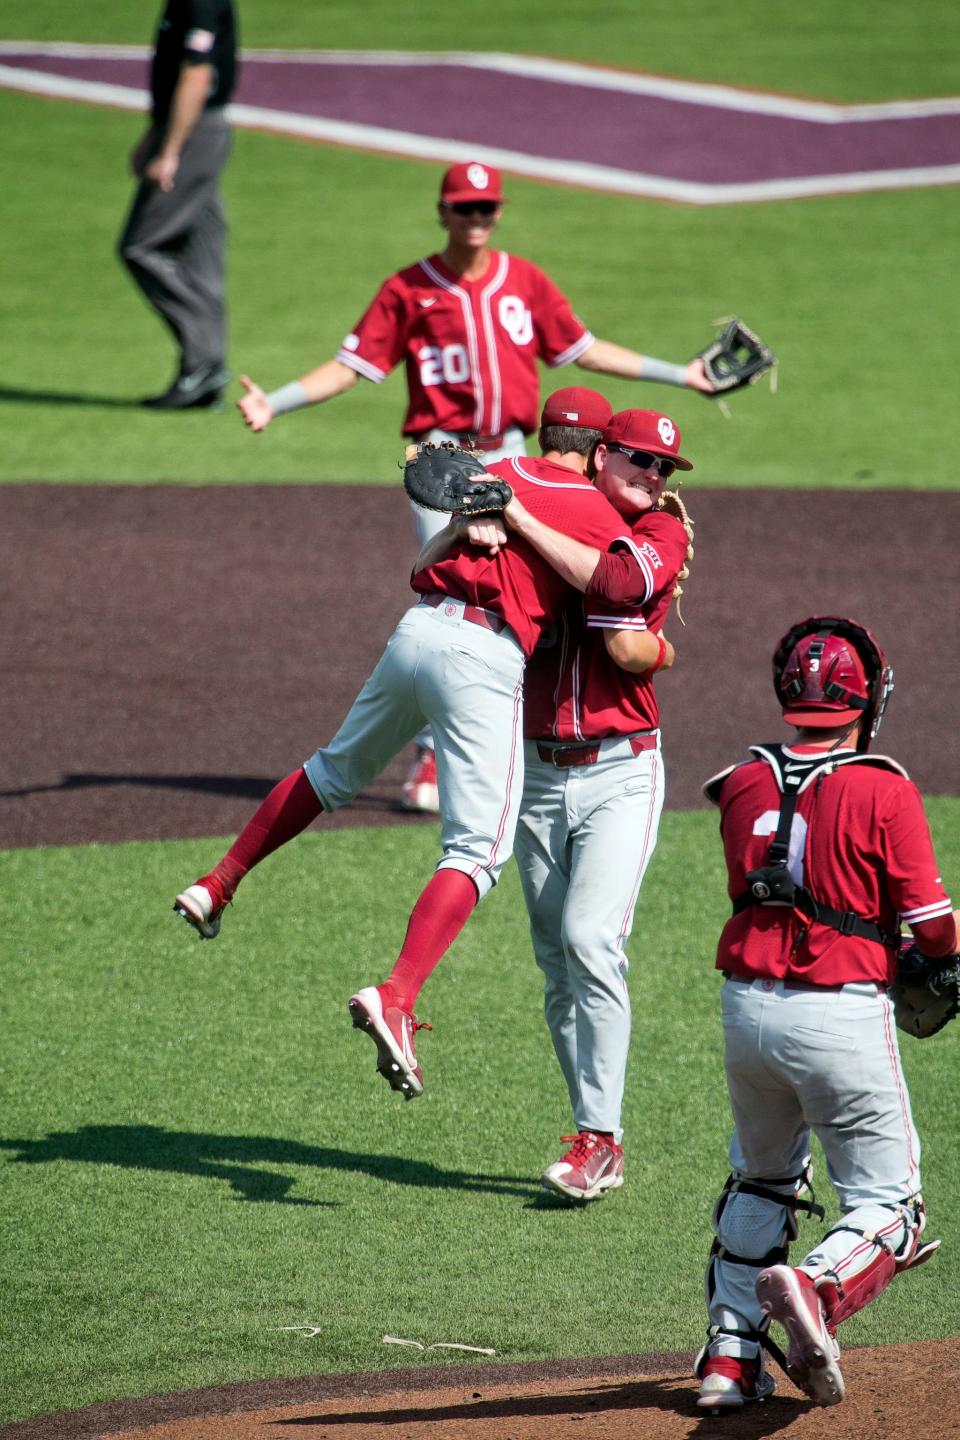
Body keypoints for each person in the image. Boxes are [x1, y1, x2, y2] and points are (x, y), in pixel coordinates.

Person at [172, 388, 667, 1102]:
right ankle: (397, 995)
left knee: (331, 771)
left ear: (542, 431)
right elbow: (615, 593)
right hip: (484, 656)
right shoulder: (593, 510)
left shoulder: (493, 473)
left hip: (416, 631)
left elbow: (420, 567)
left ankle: (218, 881)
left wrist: (484, 524)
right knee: (477, 851)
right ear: (596, 451)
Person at [237, 159, 717, 812]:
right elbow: (356, 367)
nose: (476, 220)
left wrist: (681, 375)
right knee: (461, 604)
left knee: (534, 602)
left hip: (518, 458)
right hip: (449, 471)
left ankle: (512, 740)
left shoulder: (525, 282)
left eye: (486, 208)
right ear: (443, 212)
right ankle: (434, 762)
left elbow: (584, 350)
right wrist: (277, 403)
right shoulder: (409, 289)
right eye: (464, 208)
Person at [693, 616, 957, 1414]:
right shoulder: (884, 786)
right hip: (839, 1014)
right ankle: (814, 1287)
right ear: (867, 699)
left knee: (764, 1180)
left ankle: (730, 1364)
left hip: (746, 1013)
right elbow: (934, 927)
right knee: (892, 1209)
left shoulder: (739, 782)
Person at [506, 403, 694, 1203]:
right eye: (639, 460)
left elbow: (616, 593)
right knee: (556, 966)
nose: (652, 477)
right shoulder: (553, 515)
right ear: (599, 454)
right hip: (536, 772)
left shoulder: (661, 536)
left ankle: (602, 1141)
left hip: (621, 771)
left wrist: (512, 513)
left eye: (662, 468)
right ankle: (590, 1128)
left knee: (591, 936)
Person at [118, 0, 237, 410]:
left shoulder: (200, 1)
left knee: (140, 246)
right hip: (190, 129)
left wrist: (169, 149)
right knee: (201, 252)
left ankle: (203, 363)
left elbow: (196, 73)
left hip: (194, 133)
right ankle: (203, 372)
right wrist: (155, 133)